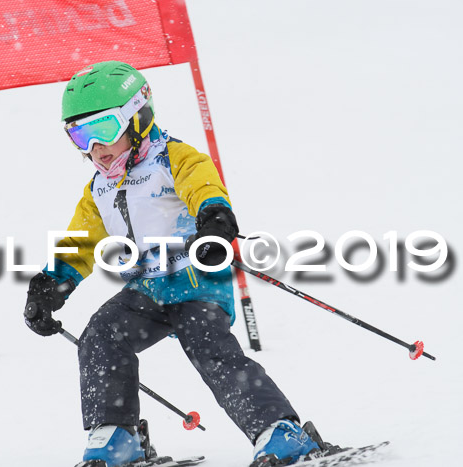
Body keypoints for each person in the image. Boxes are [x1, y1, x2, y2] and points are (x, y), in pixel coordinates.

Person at [24, 61, 326, 467]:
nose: (95, 148)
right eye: (80, 135)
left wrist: (215, 223)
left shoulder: (174, 158)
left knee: (209, 346)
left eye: (104, 130)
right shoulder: (99, 188)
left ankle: (279, 431)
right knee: (101, 336)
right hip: (146, 290)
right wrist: (50, 285)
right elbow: (80, 242)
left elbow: (205, 188)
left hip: (196, 281)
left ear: (139, 117)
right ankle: (117, 437)